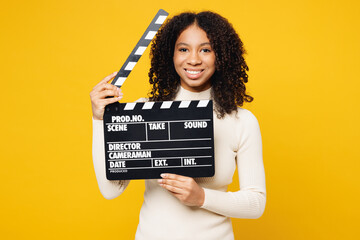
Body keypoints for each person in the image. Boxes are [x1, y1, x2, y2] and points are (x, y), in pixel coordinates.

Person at [90, 11, 266, 240]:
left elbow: (256, 203)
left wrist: (202, 197)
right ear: (170, 55)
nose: (193, 59)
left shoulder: (242, 121)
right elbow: (110, 190)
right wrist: (99, 120)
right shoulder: (144, 112)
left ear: (221, 55)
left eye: (206, 49)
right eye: (183, 49)